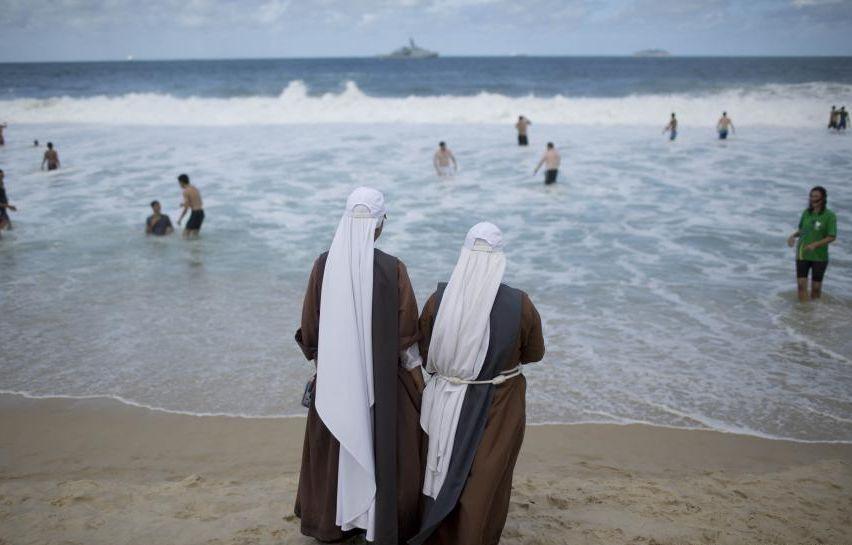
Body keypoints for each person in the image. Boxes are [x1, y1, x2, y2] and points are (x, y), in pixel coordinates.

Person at [293, 187, 426, 545]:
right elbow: (406, 338)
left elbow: (311, 328)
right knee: (392, 447)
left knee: (332, 448)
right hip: (382, 386)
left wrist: (325, 363)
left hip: (334, 380)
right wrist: (420, 386)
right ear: (379, 226)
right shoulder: (393, 268)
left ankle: (333, 525)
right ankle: (376, 523)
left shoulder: (323, 265)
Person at [410, 222, 545, 545]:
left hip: (444, 399)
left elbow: (425, 349)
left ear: (464, 255)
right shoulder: (519, 304)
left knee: (439, 468)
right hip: (499, 402)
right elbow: (535, 353)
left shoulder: (438, 300)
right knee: (485, 478)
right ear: (499, 259)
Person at [787, 186, 837, 302]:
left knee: (815, 288)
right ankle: (804, 314)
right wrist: (792, 236)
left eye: (816, 197)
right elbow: (802, 230)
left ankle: (815, 314)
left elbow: (832, 236)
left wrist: (815, 245)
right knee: (801, 285)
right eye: (811, 196)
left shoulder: (829, 216)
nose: (812, 199)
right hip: (802, 253)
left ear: (823, 199)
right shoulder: (806, 213)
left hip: (819, 256)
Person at [176, 174, 204, 238]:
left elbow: (186, 209)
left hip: (195, 214)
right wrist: (184, 204)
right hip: (201, 213)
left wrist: (180, 219)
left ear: (182, 182)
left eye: (179, 183)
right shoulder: (195, 188)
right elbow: (198, 202)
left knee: (184, 236)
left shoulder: (186, 191)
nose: (179, 185)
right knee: (195, 236)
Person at [0, 169, 19, 236]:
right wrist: (9, 206)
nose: (3, 177)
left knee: (9, 228)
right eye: (1, 176)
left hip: (3, 211)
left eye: (3, 175)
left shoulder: (2, 183)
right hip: (1, 212)